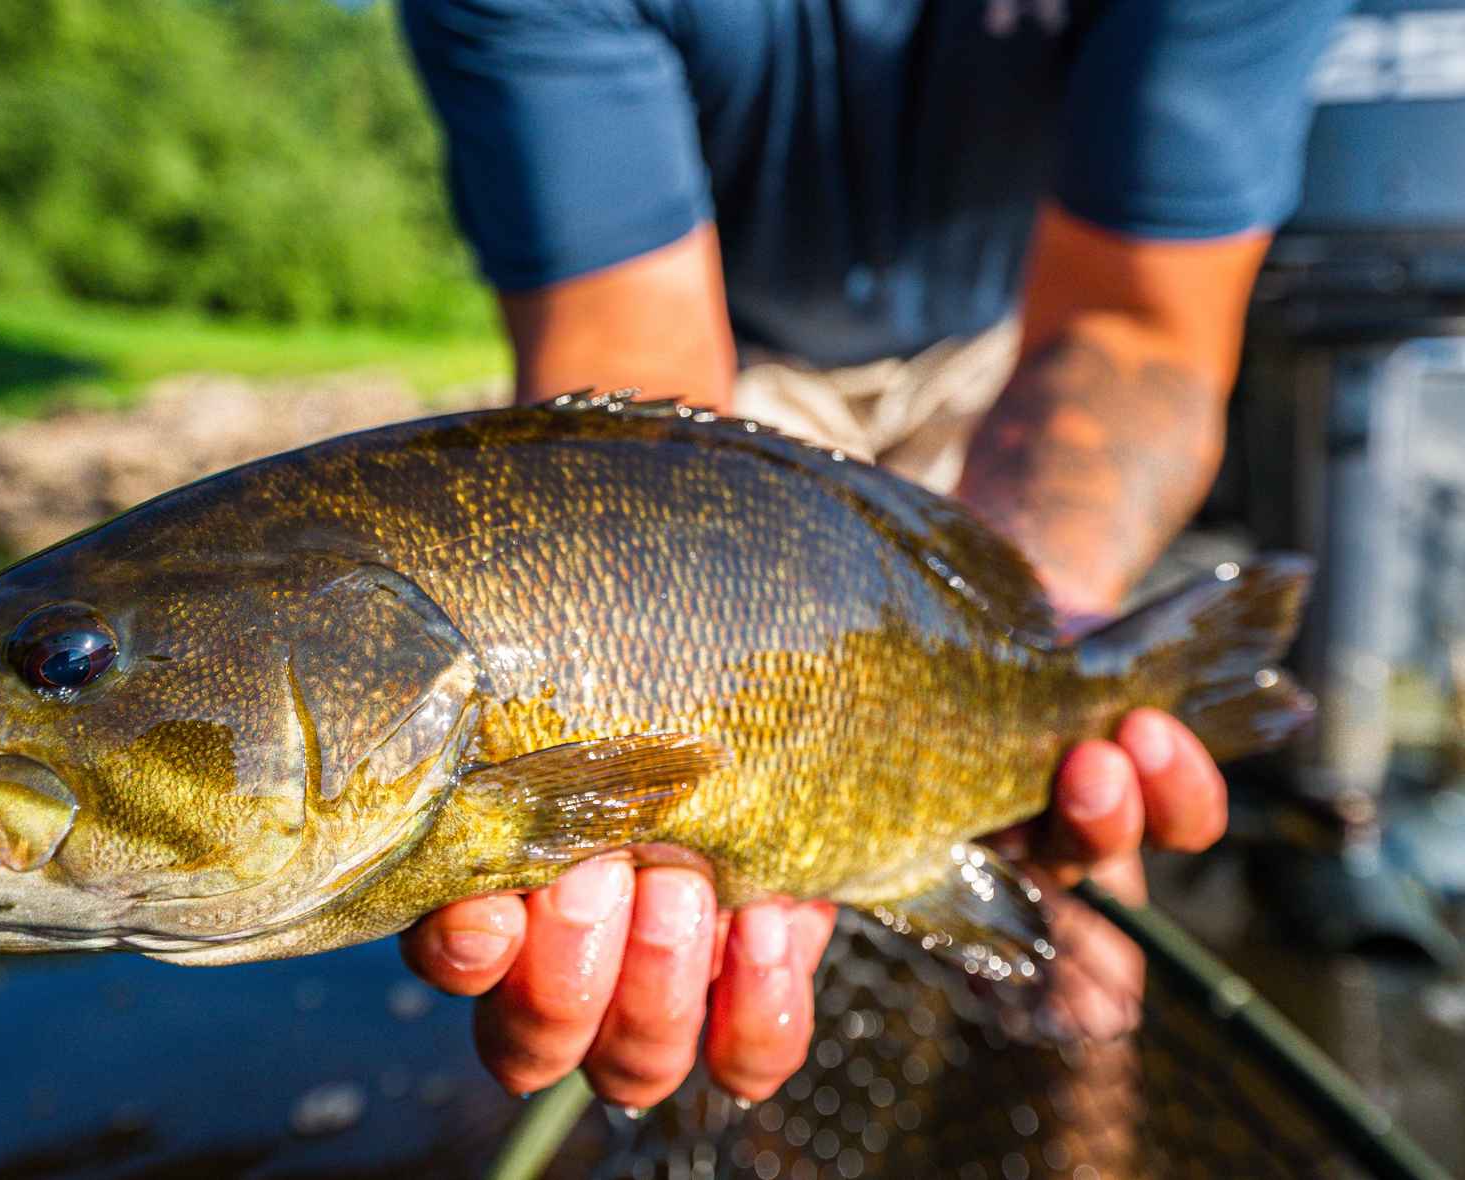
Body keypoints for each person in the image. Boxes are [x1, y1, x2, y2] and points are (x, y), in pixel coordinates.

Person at [394, 0, 1349, 1109]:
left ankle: (1091, 1102)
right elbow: (627, 350)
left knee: (1081, 925)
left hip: (1021, 349)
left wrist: (1038, 620)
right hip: (714, 386)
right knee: (698, 985)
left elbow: (1134, 330)